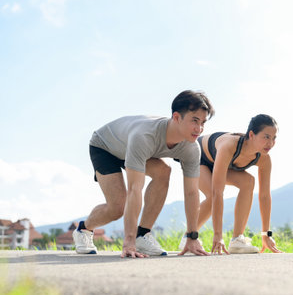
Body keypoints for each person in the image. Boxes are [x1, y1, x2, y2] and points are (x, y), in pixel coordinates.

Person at [72, 90, 214, 258]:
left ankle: (143, 234)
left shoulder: (191, 147)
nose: (199, 129)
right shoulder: (144, 136)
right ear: (176, 117)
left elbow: (191, 192)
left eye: (203, 122)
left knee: (163, 172)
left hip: (134, 149)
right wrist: (128, 242)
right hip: (105, 146)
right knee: (117, 207)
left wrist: (192, 236)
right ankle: (83, 229)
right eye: (195, 121)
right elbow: (135, 189)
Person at [178, 114, 282, 254]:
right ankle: (189, 236)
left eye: (274, 138)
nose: (270, 143)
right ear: (251, 135)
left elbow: (264, 196)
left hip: (218, 163)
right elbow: (217, 192)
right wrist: (218, 235)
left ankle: (237, 240)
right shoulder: (229, 146)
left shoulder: (264, 159)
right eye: (266, 137)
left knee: (248, 182)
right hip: (198, 156)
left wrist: (266, 235)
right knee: (211, 195)